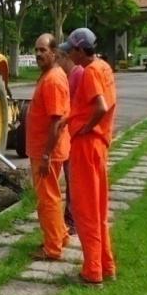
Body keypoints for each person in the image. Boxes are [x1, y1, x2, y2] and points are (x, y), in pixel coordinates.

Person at [61, 27, 117, 287]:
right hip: (99, 146)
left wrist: (86, 126)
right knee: (99, 208)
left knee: (85, 211)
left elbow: (101, 107)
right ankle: (106, 265)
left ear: (81, 50)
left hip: (86, 145)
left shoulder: (91, 72)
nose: (69, 54)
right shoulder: (104, 67)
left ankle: (92, 271)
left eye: (71, 50)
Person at [27, 34, 71, 260]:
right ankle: (60, 236)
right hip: (45, 149)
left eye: (43, 50)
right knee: (52, 195)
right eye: (36, 50)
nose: (38, 54)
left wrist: (45, 154)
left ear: (54, 52)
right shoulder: (50, 75)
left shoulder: (53, 80)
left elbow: (56, 121)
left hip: (47, 152)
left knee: (48, 199)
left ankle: (52, 248)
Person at [54, 45, 82, 235]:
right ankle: (70, 217)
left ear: (66, 57)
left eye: (58, 58)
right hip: (69, 134)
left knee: (73, 178)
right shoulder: (69, 75)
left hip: (75, 134)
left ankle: (72, 219)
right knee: (70, 176)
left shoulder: (78, 75)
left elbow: (78, 105)